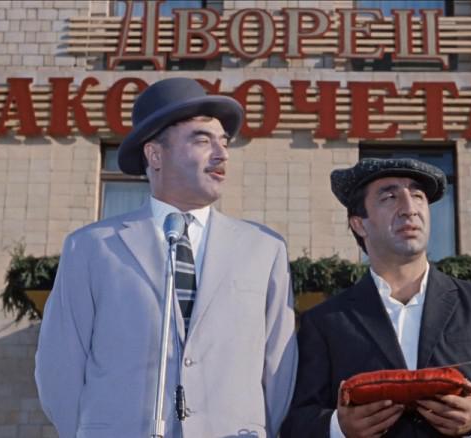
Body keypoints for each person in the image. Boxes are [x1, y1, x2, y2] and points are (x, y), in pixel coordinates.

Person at [35, 77, 297, 438]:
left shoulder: (264, 249)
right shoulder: (92, 248)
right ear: (155, 155)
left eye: (224, 142)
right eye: (202, 140)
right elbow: (59, 367)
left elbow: (279, 370)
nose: (221, 154)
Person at [281, 158, 471, 438]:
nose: (410, 209)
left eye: (418, 196)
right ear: (359, 224)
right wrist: (338, 428)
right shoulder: (325, 322)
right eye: (389, 197)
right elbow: (295, 419)